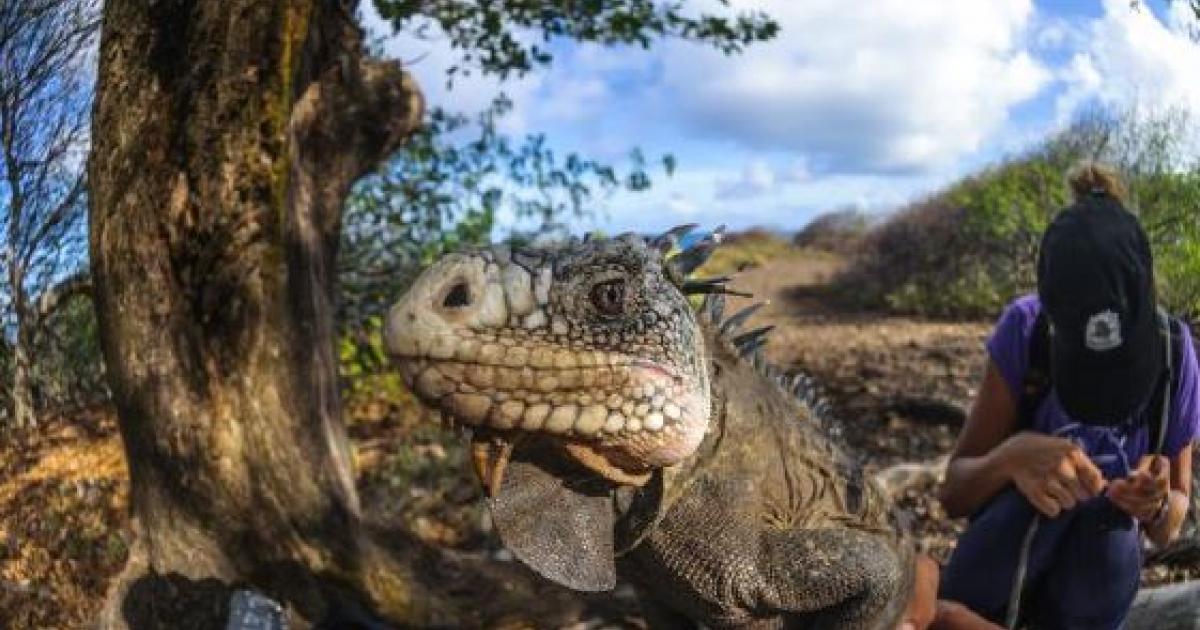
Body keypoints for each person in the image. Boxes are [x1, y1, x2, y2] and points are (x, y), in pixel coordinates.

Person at [935, 161, 1200, 629]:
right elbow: (954, 493)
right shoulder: (1025, 330)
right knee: (1031, 504)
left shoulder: (1175, 354)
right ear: (1053, 315)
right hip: (996, 588)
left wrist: (1155, 502)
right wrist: (1012, 458)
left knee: (1111, 524)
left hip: (1093, 591)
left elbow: (1170, 523)